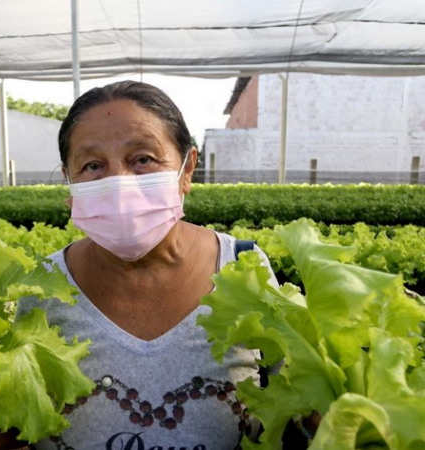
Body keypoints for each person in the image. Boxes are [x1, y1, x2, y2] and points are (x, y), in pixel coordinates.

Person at [14, 80, 276, 450]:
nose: (119, 183)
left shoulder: (246, 267)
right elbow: (16, 427)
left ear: (187, 169)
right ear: (69, 182)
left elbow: (293, 412)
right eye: (92, 165)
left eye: (143, 159)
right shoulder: (43, 288)